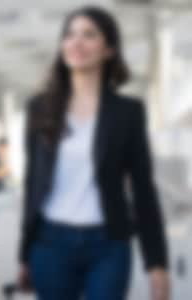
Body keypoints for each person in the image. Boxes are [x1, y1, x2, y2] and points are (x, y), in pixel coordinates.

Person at [17, 5, 170, 300]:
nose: (76, 43)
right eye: (70, 35)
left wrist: (157, 264)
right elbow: (32, 185)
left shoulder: (128, 112)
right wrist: (23, 255)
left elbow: (143, 190)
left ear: (109, 49)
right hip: (50, 244)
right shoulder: (40, 108)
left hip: (108, 244)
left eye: (89, 35)